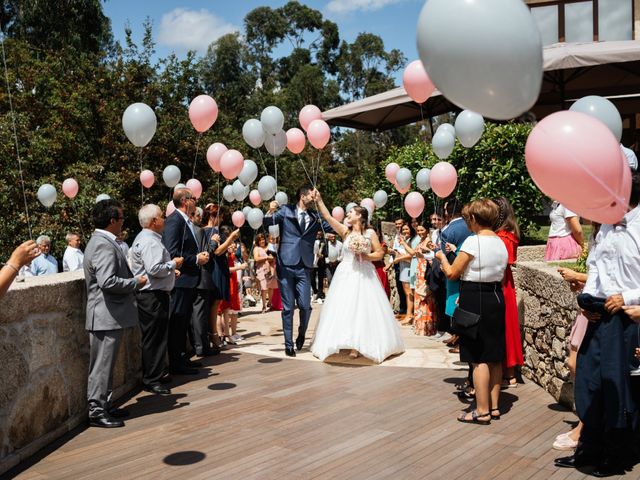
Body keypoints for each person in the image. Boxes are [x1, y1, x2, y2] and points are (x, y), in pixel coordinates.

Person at [554, 173, 640, 477]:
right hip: (598, 316)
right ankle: (591, 448)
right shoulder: (603, 228)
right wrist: (586, 298)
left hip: (630, 319)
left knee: (620, 388)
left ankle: (618, 454)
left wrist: (627, 296)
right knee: (592, 385)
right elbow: (595, 270)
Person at [436, 199, 508, 425]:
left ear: (475, 219)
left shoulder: (472, 242)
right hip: (496, 297)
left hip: (474, 298)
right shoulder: (500, 242)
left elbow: (452, 273)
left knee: (477, 358)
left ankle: (482, 410)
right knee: (495, 356)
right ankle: (495, 407)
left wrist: (440, 258)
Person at [310, 192, 405, 363]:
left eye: (351, 212)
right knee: (344, 307)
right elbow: (327, 216)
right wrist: (319, 200)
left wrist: (367, 256)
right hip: (345, 273)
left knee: (363, 308)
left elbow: (379, 252)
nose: (348, 214)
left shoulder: (370, 233)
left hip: (364, 274)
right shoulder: (345, 232)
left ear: (360, 216)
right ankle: (341, 339)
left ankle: (358, 344)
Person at [83, 199, 147, 428]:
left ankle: (104, 405)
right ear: (112, 221)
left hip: (108, 315)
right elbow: (107, 281)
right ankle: (97, 411)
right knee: (101, 366)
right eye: (121, 219)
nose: (123, 223)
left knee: (106, 366)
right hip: (104, 316)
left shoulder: (103, 241)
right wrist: (135, 282)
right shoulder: (103, 244)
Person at [264, 185, 332, 357]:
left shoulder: (315, 217)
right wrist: (270, 211)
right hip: (286, 263)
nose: (314, 196)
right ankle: (288, 344)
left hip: (305, 266)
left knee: (305, 306)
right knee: (288, 308)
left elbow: (331, 225)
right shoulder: (286, 211)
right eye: (312, 194)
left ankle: (302, 334)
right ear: (303, 195)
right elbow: (267, 223)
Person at [130, 204, 183, 396]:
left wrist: (169, 273)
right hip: (152, 297)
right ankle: (152, 379)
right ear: (154, 221)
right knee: (154, 338)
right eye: (162, 217)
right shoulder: (150, 241)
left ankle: (156, 373)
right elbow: (154, 268)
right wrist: (173, 263)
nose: (164, 220)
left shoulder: (146, 238)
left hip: (152, 295)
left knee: (156, 336)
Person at [162, 188, 209, 375]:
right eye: (194, 198)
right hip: (181, 280)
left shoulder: (185, 220)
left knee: (184, 322)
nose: (196, 201)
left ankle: (183, 358)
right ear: (184, 201)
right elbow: (172, 251)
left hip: (189, 280)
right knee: (177, 322)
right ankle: (176, 362)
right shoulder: (174, 220)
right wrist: (196, 259)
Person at [493, 197, 523, 388]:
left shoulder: (504, 237)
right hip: (505, 284)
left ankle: (508, 373)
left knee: (504, 327)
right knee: (506, 327)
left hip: (502, 285)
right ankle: (507, 372)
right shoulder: (508, 234)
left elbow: (503, 266)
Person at [409, 221, 437, 336]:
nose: (420, 232)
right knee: (419, 297)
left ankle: (428, 327)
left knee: (426, 298)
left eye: (422, 230)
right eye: (418, 230)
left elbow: (433, 255)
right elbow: (413, 253)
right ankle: (420, 326)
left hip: (425, 270)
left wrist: (427, 250)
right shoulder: (420, 241)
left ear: (427, 230)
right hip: (419, 269)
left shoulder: (429, 241)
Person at [393, 223, 415, 325]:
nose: (405, 231)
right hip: (403, 267)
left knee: (409, 293)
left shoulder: (412, 241)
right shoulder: (404, 241)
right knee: (406, 293)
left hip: (408, 268)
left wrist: (399, 257)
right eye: (403, 230)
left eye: (407, 229)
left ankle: (410, 315)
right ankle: (409, 314)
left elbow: (412, 256)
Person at [253, 233, 278, 313]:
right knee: (264, 288)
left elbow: (274, 256)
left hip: (271, 269)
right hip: (261, 270)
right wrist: (266, 257)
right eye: (260, 240)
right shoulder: (256, 248)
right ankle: (264, 306)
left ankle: (269, 303)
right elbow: (256, 258)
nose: (262, 241)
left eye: (263, 239)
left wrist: (271, 258)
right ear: (257, 241)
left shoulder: (269, 246)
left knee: (271, 287)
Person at [391, 218, 407, 316]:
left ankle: (406, 310)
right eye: (396, 224)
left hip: (405, 262)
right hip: (397, 264)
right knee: (399, 286)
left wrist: (397, 252)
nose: (398, 226)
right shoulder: (396, 235)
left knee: (406, 287)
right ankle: (402, 308)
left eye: (400, 224)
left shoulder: (406, 235)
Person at [312, 231, 327, 304]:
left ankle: (320, 295)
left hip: (320, 263)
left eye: (320, 234)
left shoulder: (323, 242)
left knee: (321, 279)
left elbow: (326, 252)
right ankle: (315, 292)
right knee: (312, 278)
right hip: (312, 263)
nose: (318, 235)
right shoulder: (311, 240)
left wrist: (322, 255)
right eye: (317, 234)